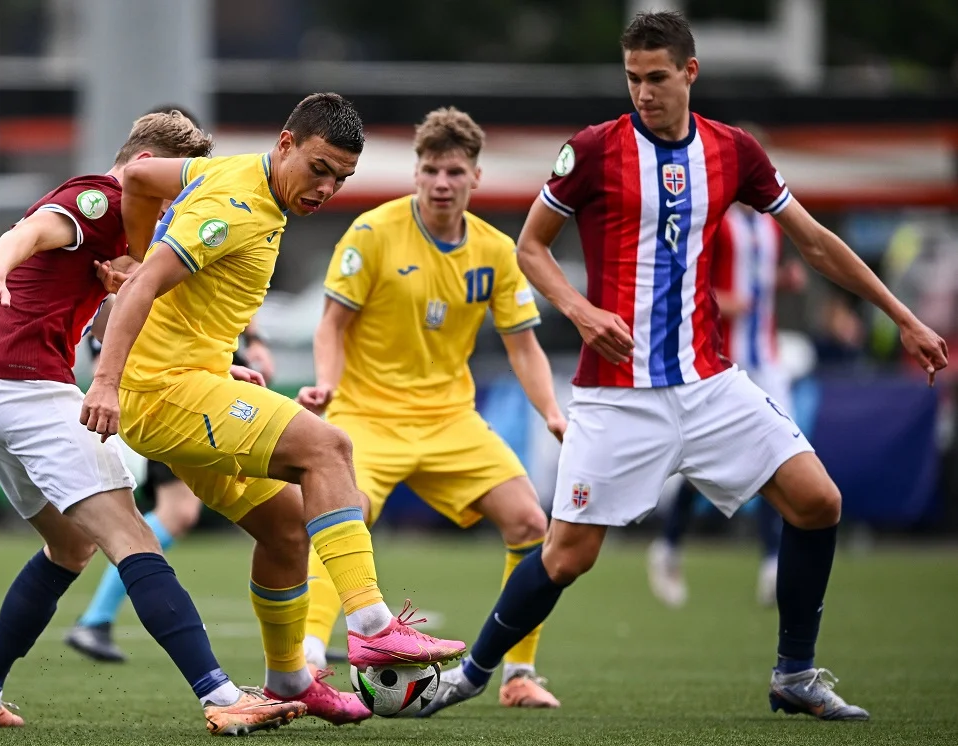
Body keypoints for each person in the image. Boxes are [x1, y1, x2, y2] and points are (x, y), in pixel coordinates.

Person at [420, 11, 947, 721]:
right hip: (617, 397)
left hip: (709, 385)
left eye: (657, 78)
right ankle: (474, 673)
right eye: (633, 78)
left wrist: (904, 317)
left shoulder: (735, 152)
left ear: (689, 73)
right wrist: (579, 311)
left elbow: (815, 243)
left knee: (819, 502)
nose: (643, 92)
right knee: (567, 557)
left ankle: (794, 673)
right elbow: (531, 247)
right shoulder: (594, 150)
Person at [80, 93, 467, 707]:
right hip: (161, 394)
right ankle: (369, 625)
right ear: (286, 143)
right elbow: (149, 282)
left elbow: (138, 172)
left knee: (288, 526)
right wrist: (105, 378)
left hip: (193, 384)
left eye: (341, 178)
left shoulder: (227, 171)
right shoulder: (232, 205)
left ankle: (289, 680)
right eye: (318, 168)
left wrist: (128, 242)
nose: (327, 188)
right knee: (328, 447)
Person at [0, 110, 309, 735]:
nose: (177, 200)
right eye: (171, 185)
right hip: (23, 389)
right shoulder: (102, 200)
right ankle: (221, 697)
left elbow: (118, 323)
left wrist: (212, 373)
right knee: (135, 538)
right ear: (145, 168)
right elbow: (32, 231)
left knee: (71, 546)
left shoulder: (131, 235)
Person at [295, 107, 564, 709]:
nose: (441, 182)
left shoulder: (496, 251)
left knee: (531, 524)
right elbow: (331, 325)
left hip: (450, 420)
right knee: (342, 514)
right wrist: (326, 386)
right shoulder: (372, 232)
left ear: (475, 177)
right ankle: (309, 655)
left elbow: (525, 348)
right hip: (367, 414)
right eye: (430, 169)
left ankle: (519, 674)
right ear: (416, 173)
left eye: (454, 171)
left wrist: (551, 412)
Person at [63, 104, 277, 664]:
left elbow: (193, 292)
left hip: (176, 378)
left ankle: (96, 619)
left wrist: (234, 355)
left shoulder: (172, 221)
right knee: (165, 517)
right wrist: (107, 374)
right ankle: (95, 619)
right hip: (153, 387)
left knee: (142, 522)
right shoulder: (111, 219)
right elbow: (126, 303)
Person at [65, 316, 275, 663]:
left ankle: (311, 633)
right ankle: (95, 619)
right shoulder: (124, 284)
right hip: (174, 399)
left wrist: (255, 340)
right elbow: (112, 352)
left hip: (209, 386)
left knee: (270, 504)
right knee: (180, 511)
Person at [648, 194, 808, 609]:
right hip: (724, 358)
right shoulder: (714, 221)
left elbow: (756, 279)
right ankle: (668, 546)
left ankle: (774, 562)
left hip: (767, 360)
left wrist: (782, 280)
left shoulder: (770, 223)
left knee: (780, 457)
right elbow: (682, 280)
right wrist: (722, 299)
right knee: (701, 464)